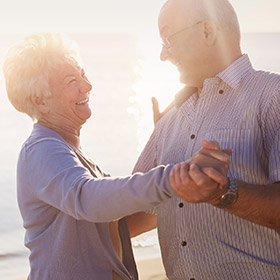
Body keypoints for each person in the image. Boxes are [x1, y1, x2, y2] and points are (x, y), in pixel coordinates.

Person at [2, 33, 230, 280]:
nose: (87, 86)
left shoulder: (75, 158)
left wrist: (165, 143)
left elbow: (133, 219)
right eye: (71, 81)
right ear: (39, 100)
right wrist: (174, 176)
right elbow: (89, 199)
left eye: (83, 74)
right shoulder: (40, 149)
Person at [128, 0, 280, 279]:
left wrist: (222, 192)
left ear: (207, 31)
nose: (162, 55)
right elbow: (135, 213)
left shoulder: (273, 96)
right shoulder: (169, 121)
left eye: (168, 39)